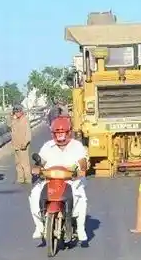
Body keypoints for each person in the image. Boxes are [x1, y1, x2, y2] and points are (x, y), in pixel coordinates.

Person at [29, 116, 89, 245]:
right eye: (58, 134)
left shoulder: (77, 146)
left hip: (71, 180)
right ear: (53, 134)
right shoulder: (47, 146)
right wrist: (36, 168)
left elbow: (83, 161)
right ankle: (39, 226)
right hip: (50, 180)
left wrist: (82, 169)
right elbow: (41, 161)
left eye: (63, 133)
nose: (60, 137)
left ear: (68, 133)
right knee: (34, 194)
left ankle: (80, 228)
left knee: (81, 197)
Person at [7, 105, 33, 184]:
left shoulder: (25, 120)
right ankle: (20, 178)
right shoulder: (14, 120)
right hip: (16, 144)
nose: (17, 113)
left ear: (21, 111)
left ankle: (28, 178)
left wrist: (25, 143)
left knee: (25, 163)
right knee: (18, 163)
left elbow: (28, 133)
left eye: (18, 111)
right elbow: (8, 125)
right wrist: (9, 116)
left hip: (23, 144)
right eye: (15, 111)